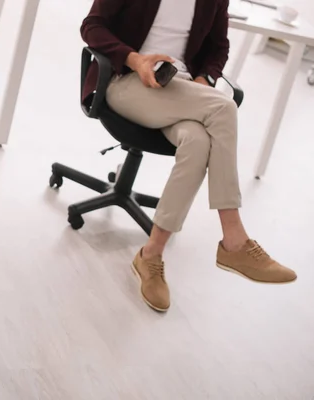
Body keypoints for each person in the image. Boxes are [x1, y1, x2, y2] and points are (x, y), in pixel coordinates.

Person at [81, 0, 296, 312]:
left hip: (178, 88)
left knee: (196, 141)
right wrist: (135, 60)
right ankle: (234, 240)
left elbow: (218, 47)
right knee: (223, 107)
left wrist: (204, 80)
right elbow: (92, 26)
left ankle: (150, 255)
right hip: (126, 80)